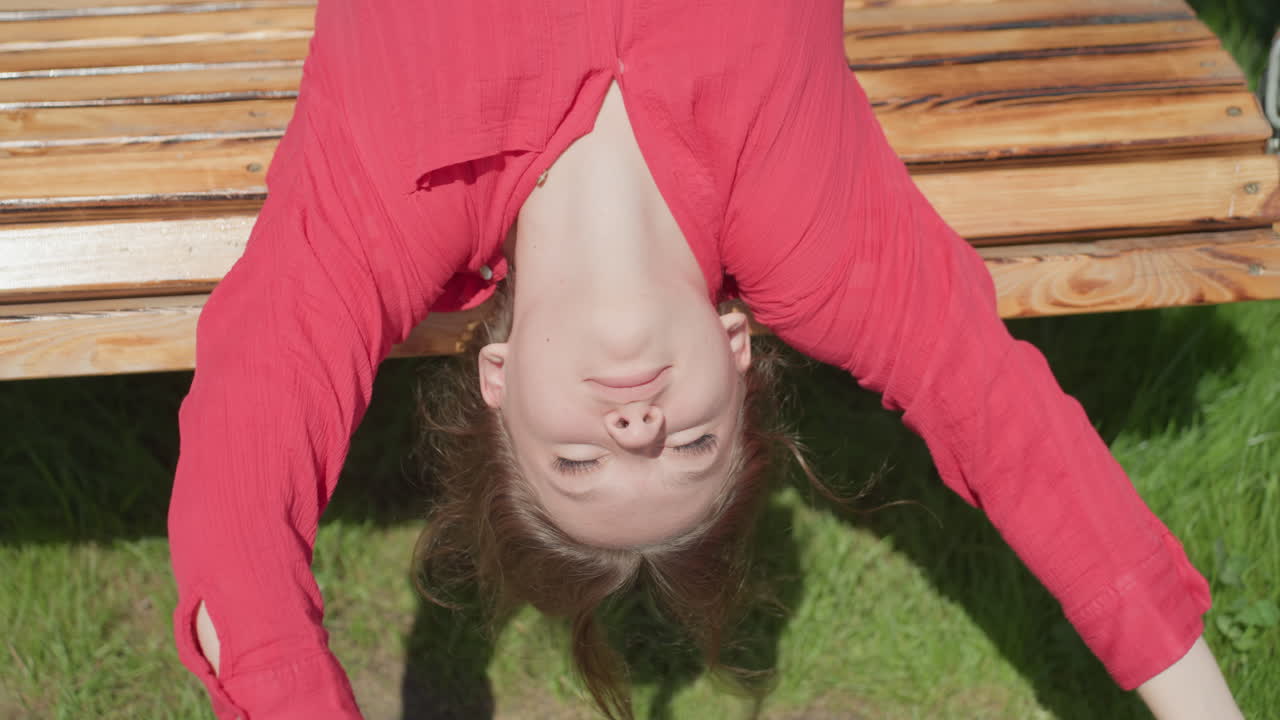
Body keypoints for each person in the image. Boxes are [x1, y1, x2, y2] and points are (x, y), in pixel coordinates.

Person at [168, 1, 1244, 718]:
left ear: (497, 391)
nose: (634, 430)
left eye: (578, 465)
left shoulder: (376, 213)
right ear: (735, 358)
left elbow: (238, 518)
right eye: (688, 446)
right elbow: (1011, 438)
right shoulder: (821, 242)